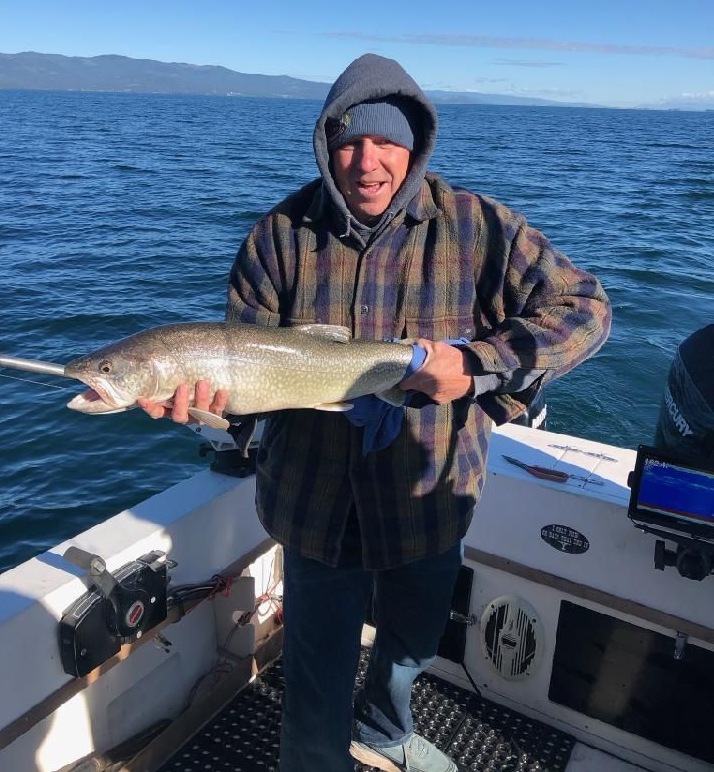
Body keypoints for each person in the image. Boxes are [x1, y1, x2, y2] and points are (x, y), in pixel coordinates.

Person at [140, 53, 612, 772]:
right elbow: (243, 380)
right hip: (313, 501)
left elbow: (586, 312)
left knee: (413, 641)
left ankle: (386, 730)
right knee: (316, 665)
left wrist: (479, 363)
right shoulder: (278, 236)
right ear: (327, 143)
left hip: (430, 494)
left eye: (387, 142)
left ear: (415, 145)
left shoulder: (478, 228)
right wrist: (212, 410)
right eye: (350, 141)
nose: (368, 162)